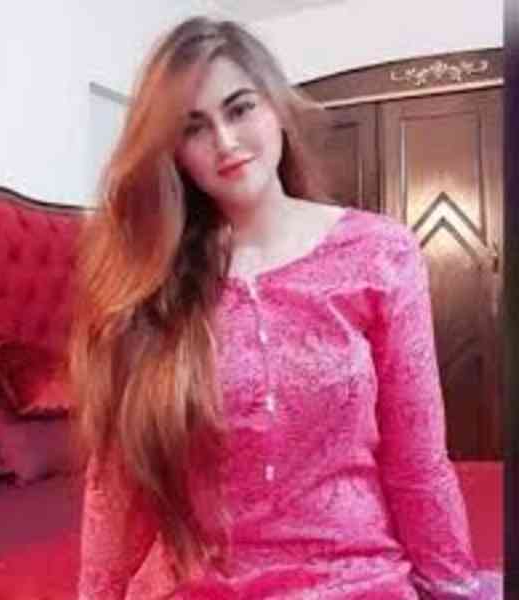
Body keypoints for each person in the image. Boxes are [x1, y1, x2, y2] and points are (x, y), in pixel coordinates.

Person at [69, 16, 501, 600]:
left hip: (354, 579)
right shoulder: (150, 280)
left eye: (240, 109)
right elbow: (116, 489)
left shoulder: (379, 252)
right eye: (194, 128)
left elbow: (416, 460)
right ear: (173, 152)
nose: (226, 141)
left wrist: (448, 586)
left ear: (274, 106)